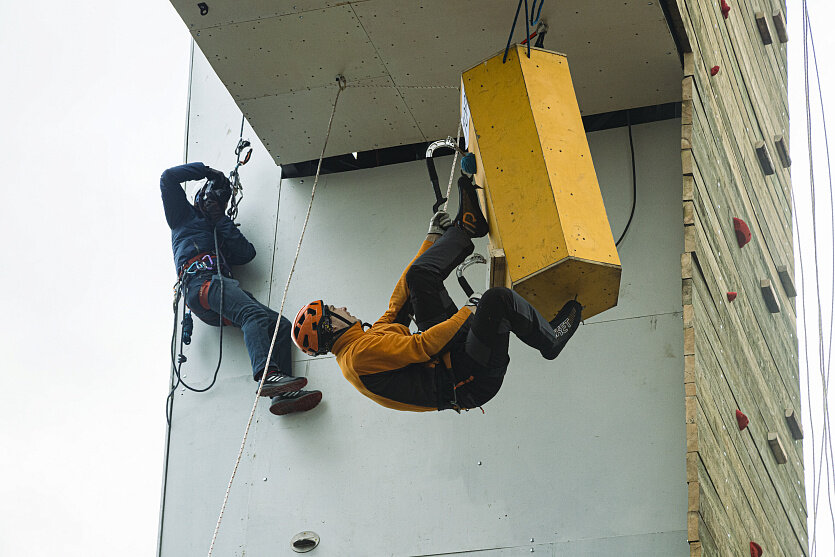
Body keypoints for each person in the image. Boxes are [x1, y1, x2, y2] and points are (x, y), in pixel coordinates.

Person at [290, 167, 582, 412]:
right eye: (333, 311)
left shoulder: (361, 344)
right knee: (496, 300)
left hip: (451, 356)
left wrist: (432, 237)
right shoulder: (358, 357)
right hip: (470, 378)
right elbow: (422, 347)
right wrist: (470, 309)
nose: (341, 308)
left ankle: (465, 227)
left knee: (418, 278)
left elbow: (399, 303)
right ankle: (550, 340)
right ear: (330, 327)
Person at [161, 162, 321, 416]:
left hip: (217, 292)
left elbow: (246, 254)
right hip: (202, 284)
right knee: (253, 315)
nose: (213, 204)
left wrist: (220, 219)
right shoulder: (182, 216)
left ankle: (282, 395)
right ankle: (267, 376)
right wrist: (207, 171)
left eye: (218, 202)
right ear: (201, 196)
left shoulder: (219, 228)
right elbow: (169, 177)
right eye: (211, 198)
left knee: (279, 325)